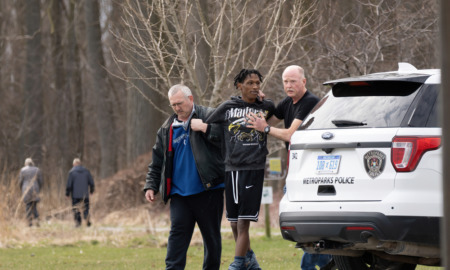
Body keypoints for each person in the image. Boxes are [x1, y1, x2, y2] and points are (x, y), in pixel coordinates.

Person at [246, 65, 333, 270]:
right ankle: (327, 261)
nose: (289, 85)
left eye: (293, 81)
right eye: (285, 81)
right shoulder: (287, 102)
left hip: (312, 171)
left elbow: (290, 134)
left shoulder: (310, 102)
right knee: (300, 222)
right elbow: (269, 118)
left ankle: (316, 264)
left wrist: (266, 128)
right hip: (296, 171)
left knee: (304, 222)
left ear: (303, 82)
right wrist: (261, 102)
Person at [193, 69, 275, 270]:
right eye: (250, 83)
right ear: (240, 85)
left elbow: (278, 114)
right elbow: (211, 125)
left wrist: (262, 101)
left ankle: (238, 264)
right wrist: (200, 126)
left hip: (253, 168)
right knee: (232, 220)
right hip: (231, 169)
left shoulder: (266, 107)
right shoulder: (228, 107)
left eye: (257, 83)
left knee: (243, 222)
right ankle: (250, 260)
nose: (255, 86)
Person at [143, 84, 225, 270]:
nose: (177, 108)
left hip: (208, 190)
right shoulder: (166, 129)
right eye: (173, 105)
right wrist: (151, 185)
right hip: (179, 194)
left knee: (211, 239)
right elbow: (157, 161)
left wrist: (205, 128)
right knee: (177, 236)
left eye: (180, 103)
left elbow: (228, 138)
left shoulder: (210, 115)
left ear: (191, 99)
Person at [66, 158, 95, 227]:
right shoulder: (86, 171)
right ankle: (87, 220)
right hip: (85, 194)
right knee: (86, 208)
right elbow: (91, 182)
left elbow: (69, 185)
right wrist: (91, 191)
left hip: (75, 195)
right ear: (80, 163)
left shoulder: (72, 172)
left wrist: (67, 193)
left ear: (74, 164)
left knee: (76, 209)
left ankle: (78, 223)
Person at [19, 157, 43, 227]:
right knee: (34, 206)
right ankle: (37, 220)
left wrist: (21, 189)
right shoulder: (37, 170)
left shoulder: (22, 170)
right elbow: (41, 181)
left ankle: (29, 223)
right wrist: (39, 188)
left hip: (26, 189)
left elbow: (20, 182)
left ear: (25, 163)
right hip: (35, 189)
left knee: (28, 206)